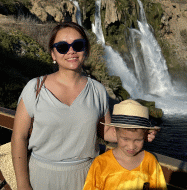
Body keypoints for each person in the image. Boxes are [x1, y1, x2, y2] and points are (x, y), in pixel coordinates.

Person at [11, 22, 156, 190]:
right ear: (53, 54)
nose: (71, 51)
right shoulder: (34, 89)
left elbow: (107, 132)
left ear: (85, 50)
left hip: (86, 177)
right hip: (42, 176)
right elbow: (18, 138)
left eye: (78, 45)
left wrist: (137, 133)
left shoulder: (98, 91)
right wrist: (22, 183)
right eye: (62, 47)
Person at [83, 99, 167, 190]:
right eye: (125, 139)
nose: (131, 146)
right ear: (114, 132)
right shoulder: (100, 163)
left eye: (138, 140)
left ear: (145, 135)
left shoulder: (150, 161)